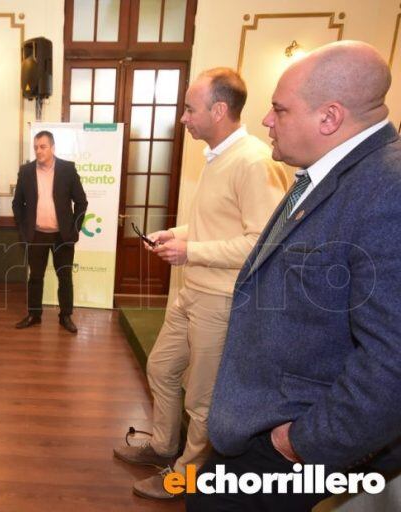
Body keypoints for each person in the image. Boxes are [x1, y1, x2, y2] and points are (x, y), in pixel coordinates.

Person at [188, 41, 401, 511]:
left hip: (291, 441)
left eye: (279, 109)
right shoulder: (323, 174)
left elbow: (393, 362)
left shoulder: (388, 190)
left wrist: (302, 442)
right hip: (261, 423)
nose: (266, 119)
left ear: (328, 118)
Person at [114, 68, 290, 499]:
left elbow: (260, 243)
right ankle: (162, 445)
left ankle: (186, 477)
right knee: (161, 368)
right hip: (193, 293)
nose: (183, 118)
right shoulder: (217, 157)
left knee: (202, 400)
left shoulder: (253, 161)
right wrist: (178, 233)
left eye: (190, 109)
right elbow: (217, 223)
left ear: (219, 109)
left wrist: (191, 251)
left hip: (222, 299)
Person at [12, 131, 88, 334]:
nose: (38, 150)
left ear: (53, 148)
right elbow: (17, 204)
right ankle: (34, 315)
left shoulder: (67, 169)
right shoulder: (26, 171)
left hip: (62, 235)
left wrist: (75, 228)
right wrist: (23, 229)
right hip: (36, 234)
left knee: (64, 276)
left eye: (43, 146)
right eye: (36, 147)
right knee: (35, 277)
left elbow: (81, 201)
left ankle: (65, 316)